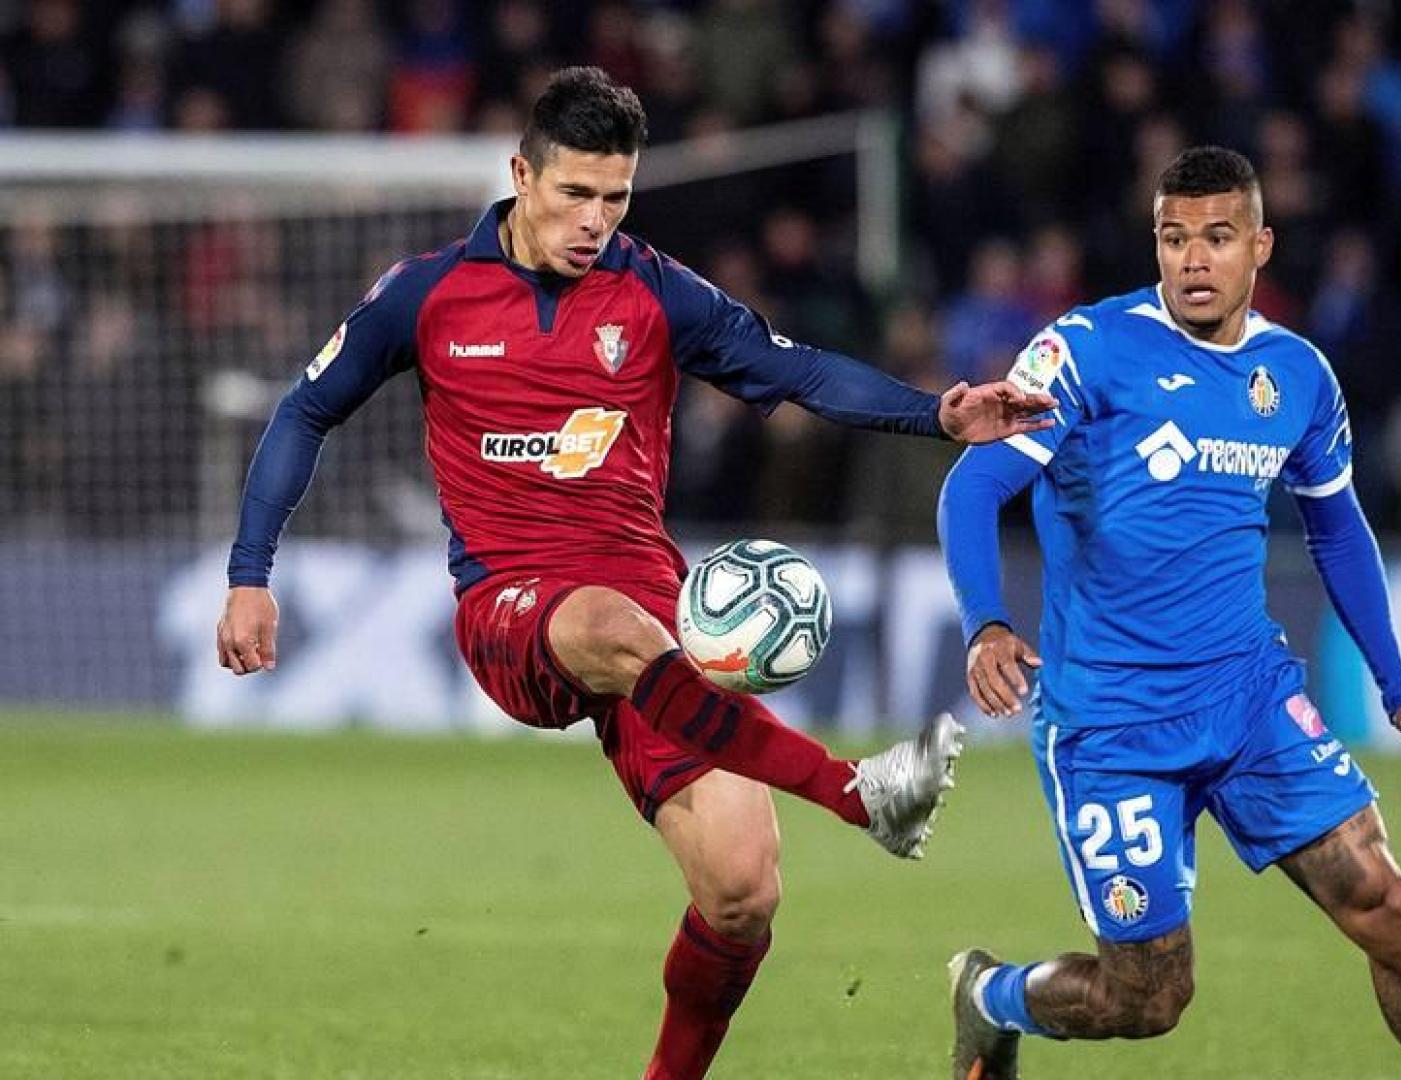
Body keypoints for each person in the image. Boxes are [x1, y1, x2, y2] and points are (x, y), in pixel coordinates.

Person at [213, 67, 1054, 1080]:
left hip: (651, 618)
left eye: (615, 197)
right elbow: (306, 410)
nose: (595, 221)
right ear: (522, 175)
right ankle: (858, 792)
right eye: (575, 193)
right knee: (611, 621)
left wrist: (937, 413)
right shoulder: (428, 292)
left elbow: (796, 369)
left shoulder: (655, 290)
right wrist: (251, 572)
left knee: (743, 890)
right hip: (511, 608)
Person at [938, 147, 1401, 1079]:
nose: (1194, 259)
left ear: (1260, 247)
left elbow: (1337, 529)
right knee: (1147, 997)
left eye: (1218, 237)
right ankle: (990, 996)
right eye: (1174, 239)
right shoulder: (1087, 350)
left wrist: (1398, 689)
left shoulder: (1297, 375)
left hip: (1248, 700)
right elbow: (973, 485)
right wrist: (986, 623)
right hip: (1112, 721)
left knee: (1387, 906)